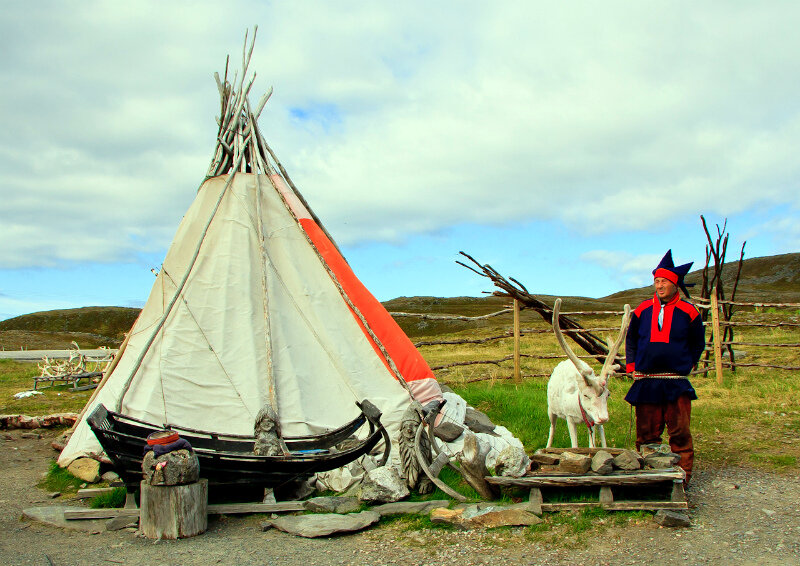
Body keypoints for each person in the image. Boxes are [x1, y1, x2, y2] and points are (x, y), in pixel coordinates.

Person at [625, 250, 705, 483]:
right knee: (647, 433)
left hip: (675, 381)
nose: (659, 286)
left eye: (664, 282)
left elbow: (697, 342)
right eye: (656, 281)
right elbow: (631, 340)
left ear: (675, 284)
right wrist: (631, 366)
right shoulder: (642, 310)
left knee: (680, 432)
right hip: (646, 379)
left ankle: (682, 478)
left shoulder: (689, 312)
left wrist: (689, 363)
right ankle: (648, 477)